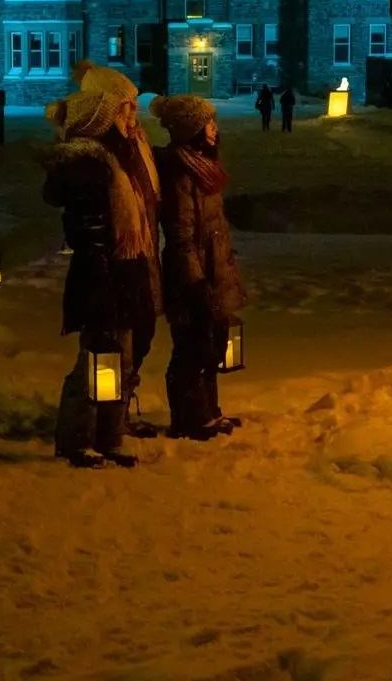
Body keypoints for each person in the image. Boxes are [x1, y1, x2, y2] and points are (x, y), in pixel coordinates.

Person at [42, 64, 163, 468]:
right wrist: (103, 278)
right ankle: (77, 437)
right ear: (105, 114)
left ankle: (110, 435)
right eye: (124, 108)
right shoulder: (91, 165)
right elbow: (90, 232)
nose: (133, 115)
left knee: (120, 358)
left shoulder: (125, 155)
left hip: (125, 270)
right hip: (103, 275)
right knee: (97, 359)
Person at [151, 94, 248, 439]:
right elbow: (182, 235)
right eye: (208, 123)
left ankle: (209, 410)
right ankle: (190, 418)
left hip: (213, 271)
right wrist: (195, 283)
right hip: (193, 277)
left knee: (212, 343)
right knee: (193, 347)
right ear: (191, 129)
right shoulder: (182, 174)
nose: (214, 128)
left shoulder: (204, 167)